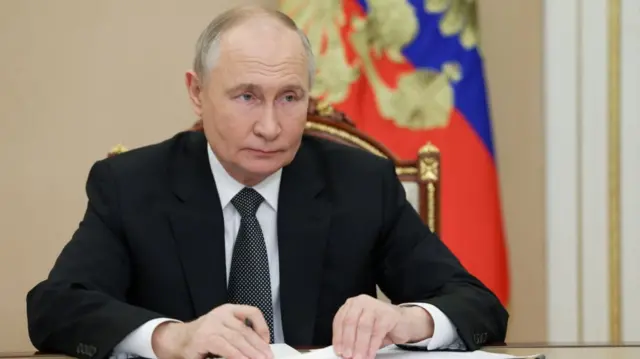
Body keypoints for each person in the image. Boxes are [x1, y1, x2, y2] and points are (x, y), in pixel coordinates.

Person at [26, 5, 508, 359]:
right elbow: (55, 307)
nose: (271, 127)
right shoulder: (131, 185)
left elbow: (479, 306)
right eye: (247, 97)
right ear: (197, 92)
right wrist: (174, 337)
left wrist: (407, 319)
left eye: (290, 97)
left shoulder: (360, 183)